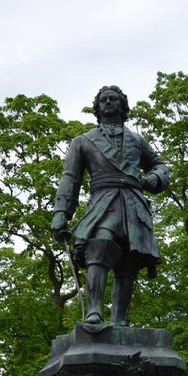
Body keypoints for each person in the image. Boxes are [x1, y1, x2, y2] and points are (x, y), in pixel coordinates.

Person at [51, 84, 169, 328]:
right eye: (103, 99)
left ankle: (120, 320)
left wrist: (156, 177)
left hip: (133, 204)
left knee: (128, 260)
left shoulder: (137, 140)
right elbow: (70, 178)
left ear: (122, 106)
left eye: (113, 99)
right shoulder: (82, 142)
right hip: (103, 202)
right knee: (100, 245)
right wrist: (61, 212)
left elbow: (159, 164)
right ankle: (94, 311)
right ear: (97, 107)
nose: (108, 102)